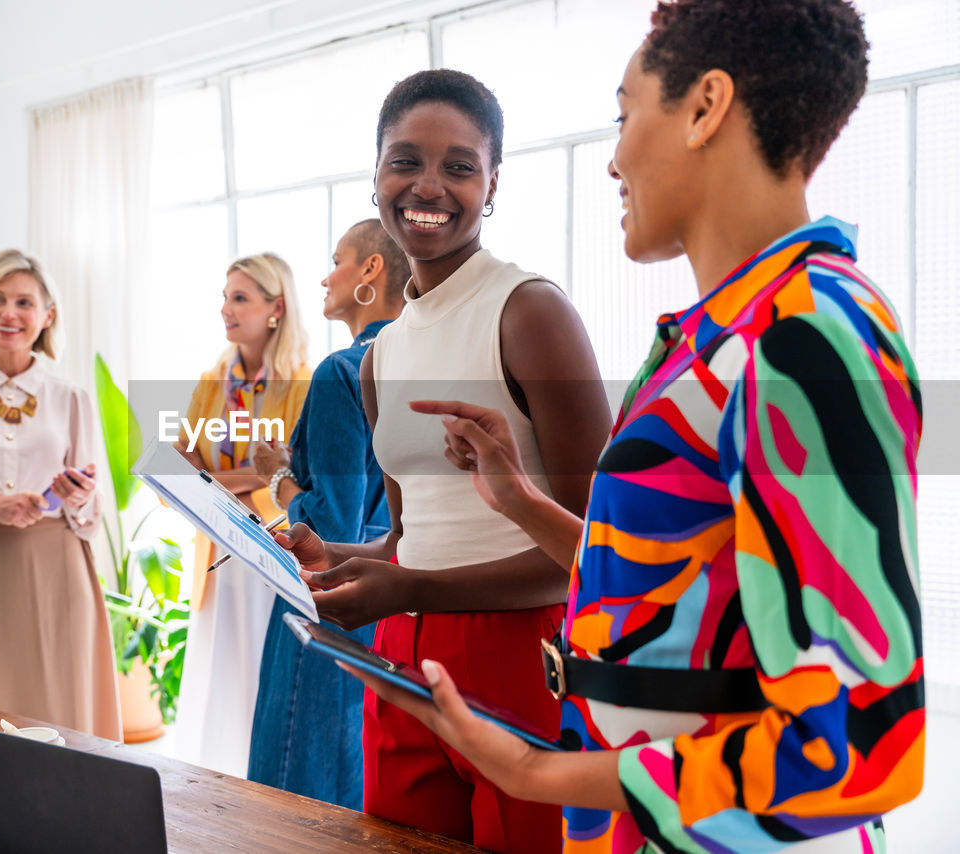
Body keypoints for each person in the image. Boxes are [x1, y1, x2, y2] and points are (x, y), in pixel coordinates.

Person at [344, 1, 926, 851]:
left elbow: (858, 747)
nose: (614, 157)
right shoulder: (710, 339)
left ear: (705, 107)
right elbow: (675, 580)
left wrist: (541, 774)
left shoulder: (806, 338)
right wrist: (521, 503)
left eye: (625, 115)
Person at [275, 71, 613, 852]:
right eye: (407, 161)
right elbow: (407, 538)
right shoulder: (378, 358)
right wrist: (338, 558)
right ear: (376, 178)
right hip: (403, 659)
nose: (430, 185)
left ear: (492, 184)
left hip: (525, 653)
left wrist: (411, 588)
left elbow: (596, 550)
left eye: (460, 166)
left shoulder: (530, 311)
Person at [0, 249, 121, 739]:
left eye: (24, 302)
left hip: (60, 577)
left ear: (47, 316)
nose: (9, 314)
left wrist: (75, 495)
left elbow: (96, 512)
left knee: (62, 716)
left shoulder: (71, 397)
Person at [246, 219, 409, 808]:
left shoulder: (343, 370)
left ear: (372, 270)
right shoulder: (419, 361)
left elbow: (331, 525)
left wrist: (282, 481)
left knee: (294, 787)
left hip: (325, 594)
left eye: (337, 259)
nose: (324, 274)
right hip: (395, 599)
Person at [173, 252, 311, 776]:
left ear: (276, 308)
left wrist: (217, 484)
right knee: (220, 681)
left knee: (262, 675)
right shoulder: (213, 380)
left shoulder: (304, 381)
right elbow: (183, 463)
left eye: (240, 297)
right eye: (225, 297)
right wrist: (250, 478)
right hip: (219, 551)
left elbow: (297, 474)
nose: (226, 309)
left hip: (273, 550)